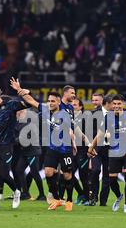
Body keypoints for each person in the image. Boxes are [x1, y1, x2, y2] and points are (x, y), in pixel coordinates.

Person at [10, 78, 77, 211]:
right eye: (49, 101)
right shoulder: (46, 110)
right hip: (52, 148)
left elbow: (69, 129)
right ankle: (57, 199)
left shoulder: (65, 113)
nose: (50, 103)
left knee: (67, 175)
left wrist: (74, 143)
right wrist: (19, 89)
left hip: (65, 148)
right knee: (48, 173)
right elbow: (31, 101)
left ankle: (69, 200)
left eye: (53, 101)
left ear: (59, 102)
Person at [14, 108, 46, 201]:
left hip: (32, 150)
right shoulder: (19, 121)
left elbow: (25, 137)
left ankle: (42, 194)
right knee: (19, 170)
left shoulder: (29, 121)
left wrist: (13, 141)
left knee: (34, 172)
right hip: (24, 151)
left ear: (21, 111)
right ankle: (26, 193)